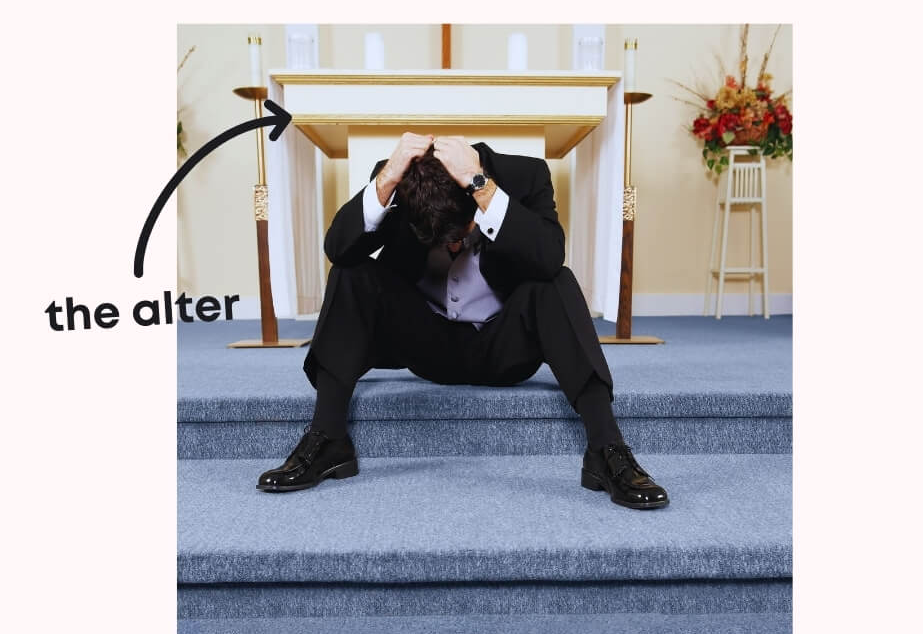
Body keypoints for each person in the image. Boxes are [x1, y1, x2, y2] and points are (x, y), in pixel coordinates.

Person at [257, 134, 668, 509]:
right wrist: (386, 178)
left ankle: (605, 448)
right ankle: (329, 438)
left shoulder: (526, 175)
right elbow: (338, 249)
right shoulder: (397, 179)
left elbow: (548, 256)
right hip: (426, 343)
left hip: (504, 347)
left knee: (556, 281)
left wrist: (481, 186)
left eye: (460, 236)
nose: (452, 248)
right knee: (350, 273)